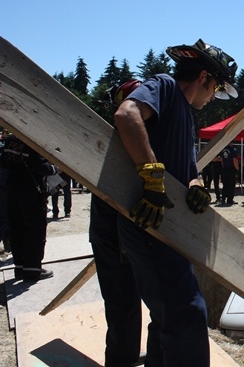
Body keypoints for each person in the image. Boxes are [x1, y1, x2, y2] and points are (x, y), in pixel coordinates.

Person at [114, 38, 237, 366]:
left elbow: (188, 169)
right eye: (216, 89)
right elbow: (127, 114)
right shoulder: (164, 86)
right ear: (203, 79)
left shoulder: (186, 116)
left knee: (169, 316)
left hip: (167, 228)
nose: (213, 97)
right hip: (148, 221)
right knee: (187, 313)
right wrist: (151, 176)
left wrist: (195, 184)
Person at [90, 79, 143, 366]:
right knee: (122, 299)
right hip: (113, 230)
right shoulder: (120, 136)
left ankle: (127, 354)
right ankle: (121, 359)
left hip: (119, 228)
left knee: (127, 297)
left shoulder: (128, 135)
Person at [1, 134, 57, 281]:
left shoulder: (10, 141)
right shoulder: (32, 142)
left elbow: (4, 162)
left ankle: (19, 268)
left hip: (12, 189)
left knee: (17, 229)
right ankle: (32, 270)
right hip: (31, 192)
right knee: (35, 230)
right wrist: (56, 169)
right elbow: (40, 167)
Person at [220, 139, 240, 206]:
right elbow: (234, 160)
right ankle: (229, 200)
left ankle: (223, 199)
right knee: (231, 185)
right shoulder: (233, 150)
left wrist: (223, 167)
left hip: (224, 169)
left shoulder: (223, 150)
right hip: (231, 169)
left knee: (225, 185)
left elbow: (222, 160)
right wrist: (237, 168)